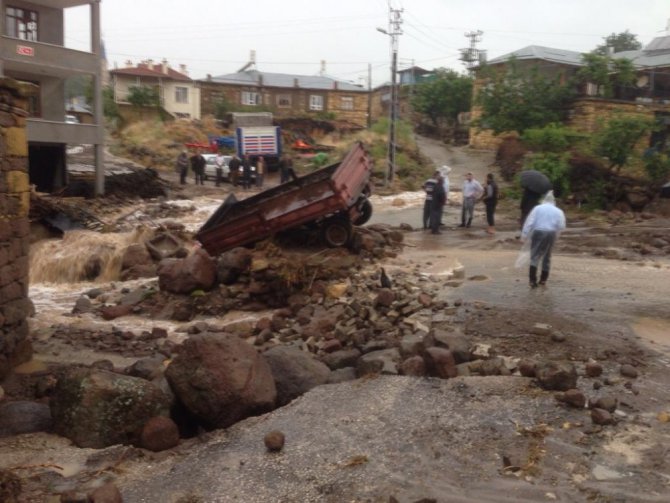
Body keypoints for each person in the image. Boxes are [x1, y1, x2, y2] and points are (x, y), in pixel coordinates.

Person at [521, 191, 566, 288]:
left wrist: (524, 234)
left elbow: (530, 222)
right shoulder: (558, 211)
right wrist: (556, 235)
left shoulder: (537, 208)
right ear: (553, 201)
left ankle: (532, 280)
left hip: (538, 232)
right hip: (551, 233)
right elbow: (561, 225)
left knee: (535, 255)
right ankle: (543, 280)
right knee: (547, 257)